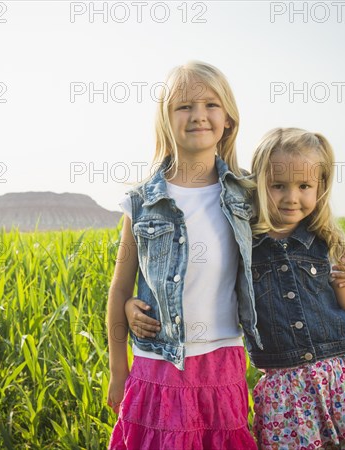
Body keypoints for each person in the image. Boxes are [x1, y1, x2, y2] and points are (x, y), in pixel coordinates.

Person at [106, 61, 263, 449]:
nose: (198, 116)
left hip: (221, 359)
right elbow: (119, 289)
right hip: (157, 363)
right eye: (184, 106)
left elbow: (296, 240)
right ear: (166, 119)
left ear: (228, 119)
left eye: (211, 105)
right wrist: (117, 368)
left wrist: (342, 253)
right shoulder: (141, 202)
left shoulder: (247, 195)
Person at [247, 128, 345, 449]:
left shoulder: (329, 248)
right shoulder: (243, 250)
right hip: (286, 396)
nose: (291, 197)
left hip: (343, 385)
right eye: (277, 185)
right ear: (258, 184)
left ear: (321, 187)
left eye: (304, 186)